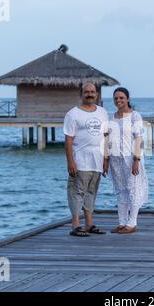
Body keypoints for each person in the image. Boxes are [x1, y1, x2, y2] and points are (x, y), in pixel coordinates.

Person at [63, 82, 109, 237]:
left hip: (97, 160)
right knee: (77, 192)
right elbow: (68, 140)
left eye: (92, 92)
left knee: (91, 192)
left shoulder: (102, 112)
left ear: (97, 94)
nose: (90, 94)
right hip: (80, 160)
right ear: (81, 94)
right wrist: (70, 162)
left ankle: (89, 224)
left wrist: (105, 159)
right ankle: (75, 225)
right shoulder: (73, 114)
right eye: (86, 92)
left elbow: (105, 136)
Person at [104, 87, 148, 234]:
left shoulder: (135, 116)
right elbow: (108, 140)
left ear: (128, 99)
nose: (118, 100)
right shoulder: (112, 118)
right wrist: (106, 159)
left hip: (131, 158)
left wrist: (137, 159)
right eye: (116, 98)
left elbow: (139, 139)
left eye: (121, 98)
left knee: (133, 189)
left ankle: (132, 223)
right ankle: (122, 222)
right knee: (120, 191)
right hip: (115, 159)